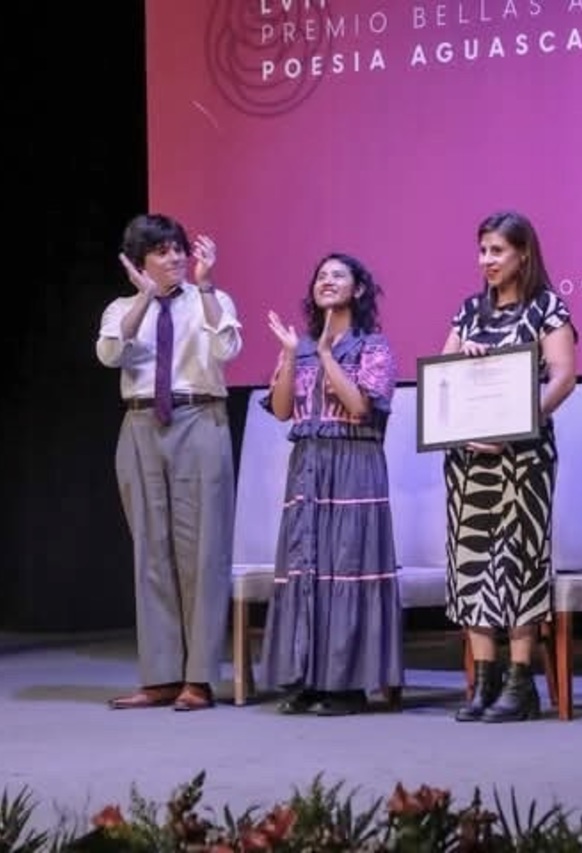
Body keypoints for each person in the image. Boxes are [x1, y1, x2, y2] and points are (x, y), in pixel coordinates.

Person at [96, 213, 242, 712]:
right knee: (151, 553)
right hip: (141, 424)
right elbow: (111, 355)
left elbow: (227, 348)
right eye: (162, 251)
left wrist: (207, 287)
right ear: (139, 262)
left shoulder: (210, 299)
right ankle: (160, 676)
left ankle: (199, 678)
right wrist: (144, 298)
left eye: (179, 248)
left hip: (199, 419)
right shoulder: (121, 308)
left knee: (202, 552)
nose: (176, 257)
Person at [442, 210, 578, 723]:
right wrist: (462, 357)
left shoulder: (547, 308)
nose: (487, 260)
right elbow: (441, 377)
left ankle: (522, 682)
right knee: (471, 560)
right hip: (468, 456)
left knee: (519, 561)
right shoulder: (468, 312)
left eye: (497, 250)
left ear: (523, 254)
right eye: (482, 250)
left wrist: (519, 423)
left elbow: (563, 377)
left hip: (523, 456)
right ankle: (484, 679)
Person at [260, 252, 403, 716]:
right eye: (320, 275)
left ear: (358, 289)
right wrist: (289, 355)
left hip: (354, 462)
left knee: (347, 566)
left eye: (338, 275)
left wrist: (325, 353)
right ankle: (305, 679)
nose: (326, 281)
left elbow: (360, 407)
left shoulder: (373, 346)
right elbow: (282, 410)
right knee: (306, 568)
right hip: (308, 464)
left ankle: (346, 686)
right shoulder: (298, 346)